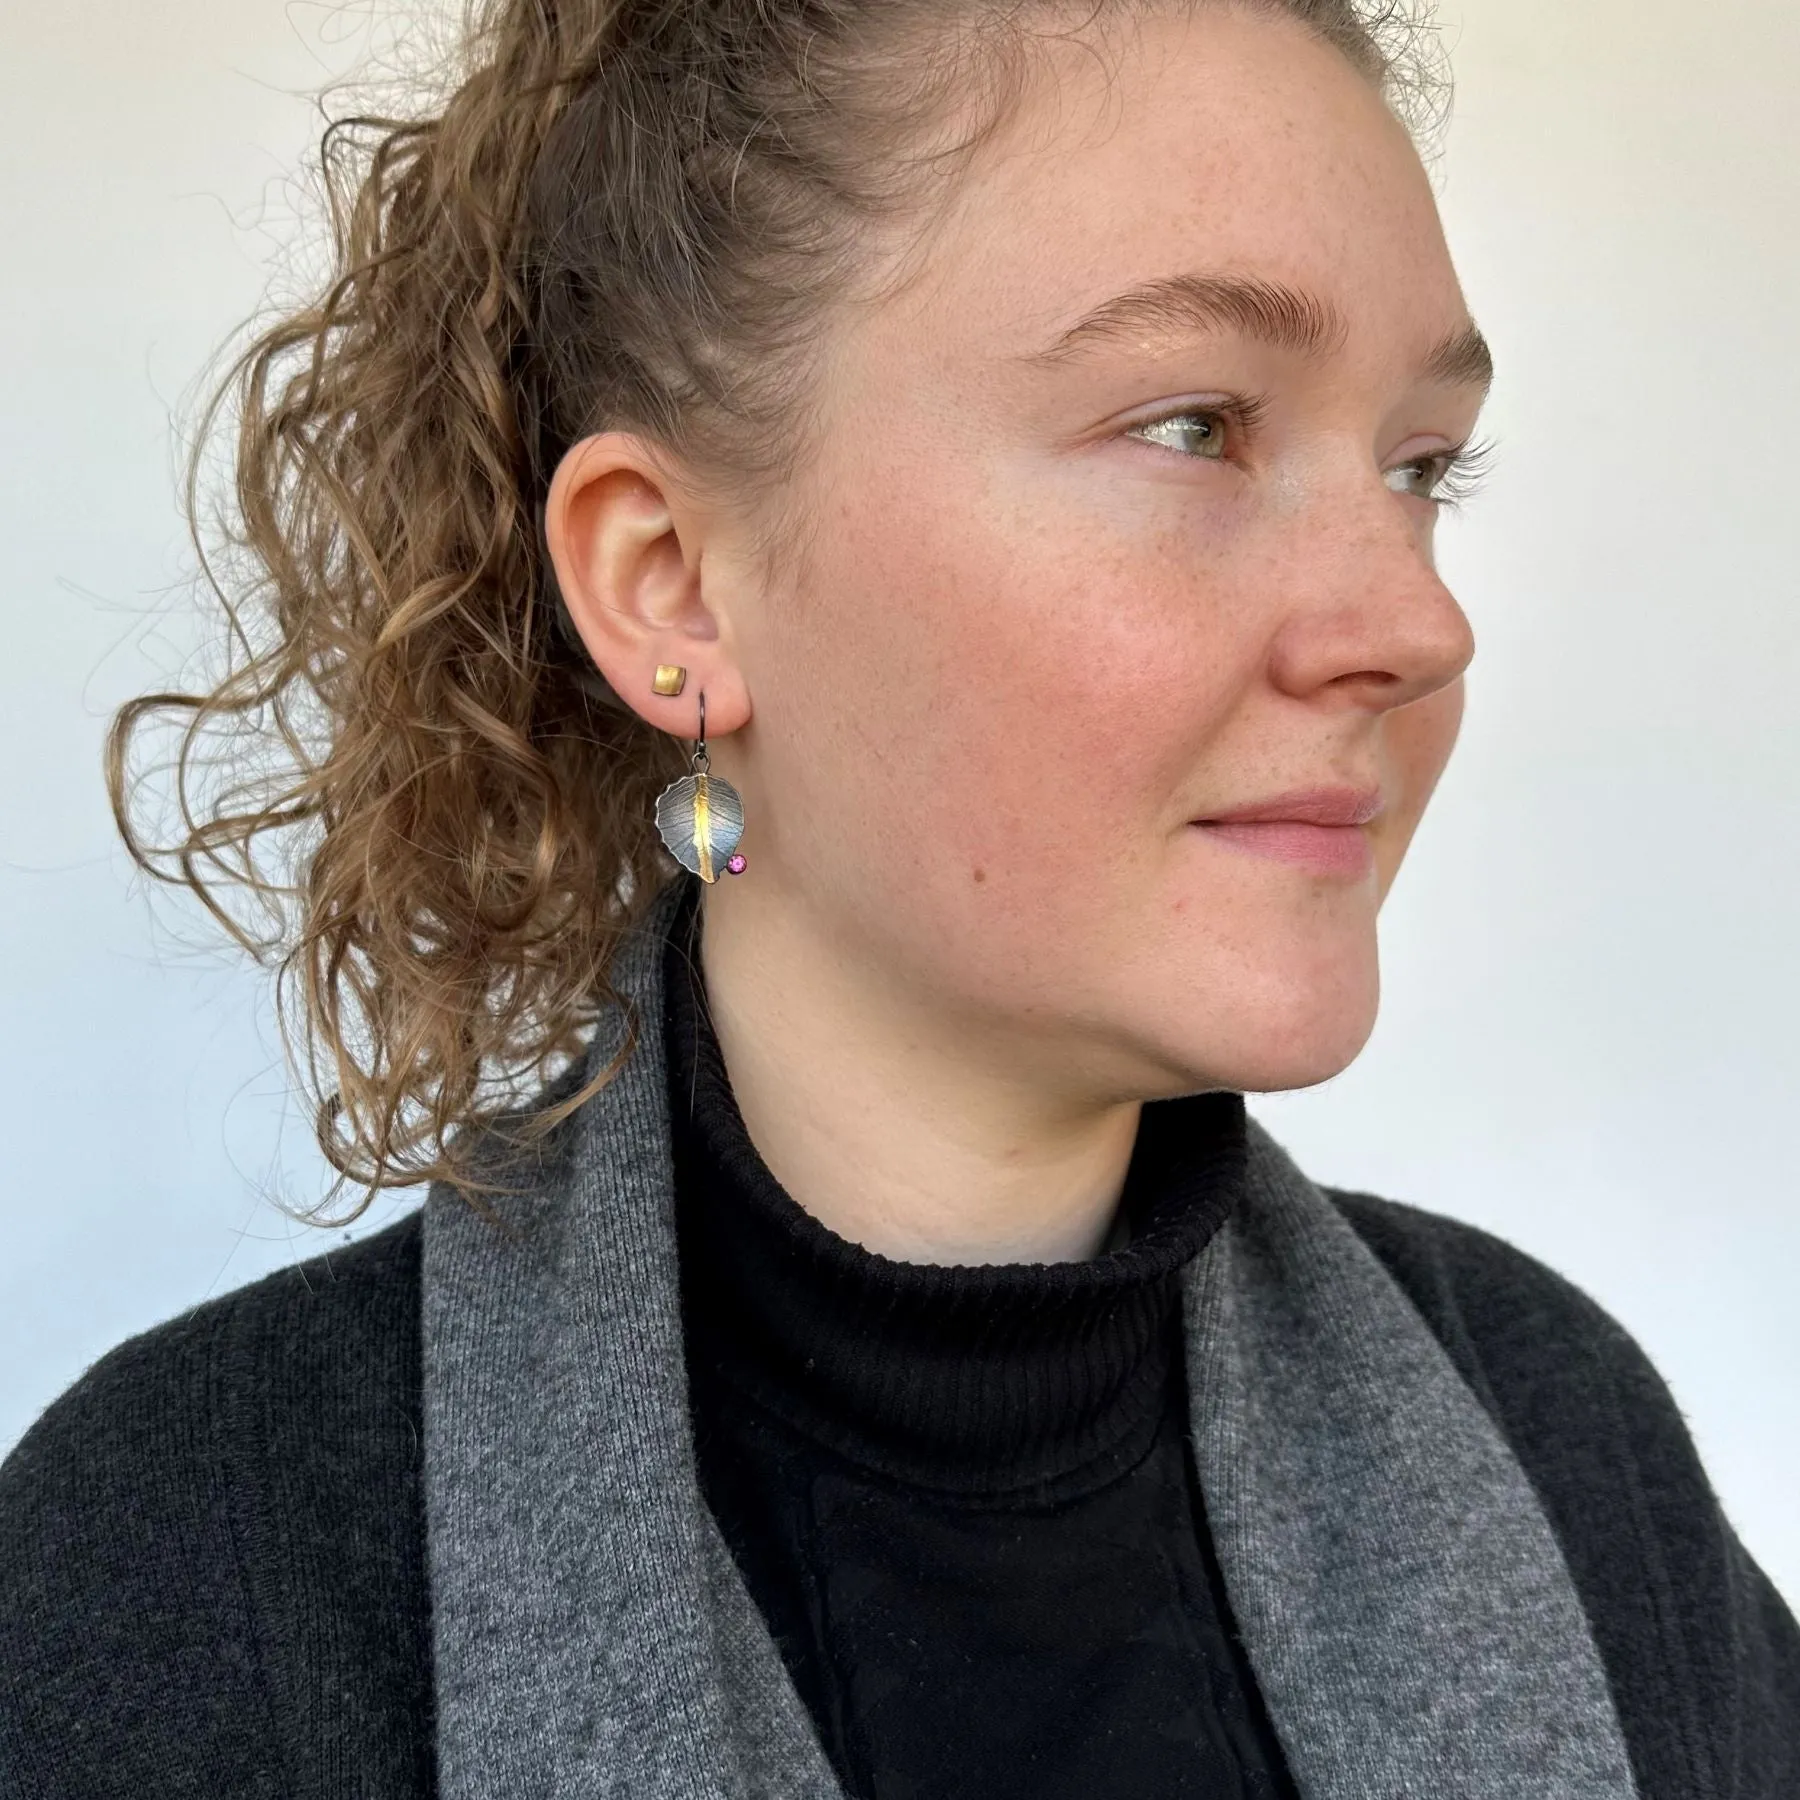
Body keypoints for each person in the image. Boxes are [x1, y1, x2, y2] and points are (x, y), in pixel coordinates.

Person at [2, 0, 1795, 1794]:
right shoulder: (195, 1579)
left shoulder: (1565, 1448)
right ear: (674, 586)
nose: (1418, 625)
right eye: (1192, 427)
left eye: (1420, 469)